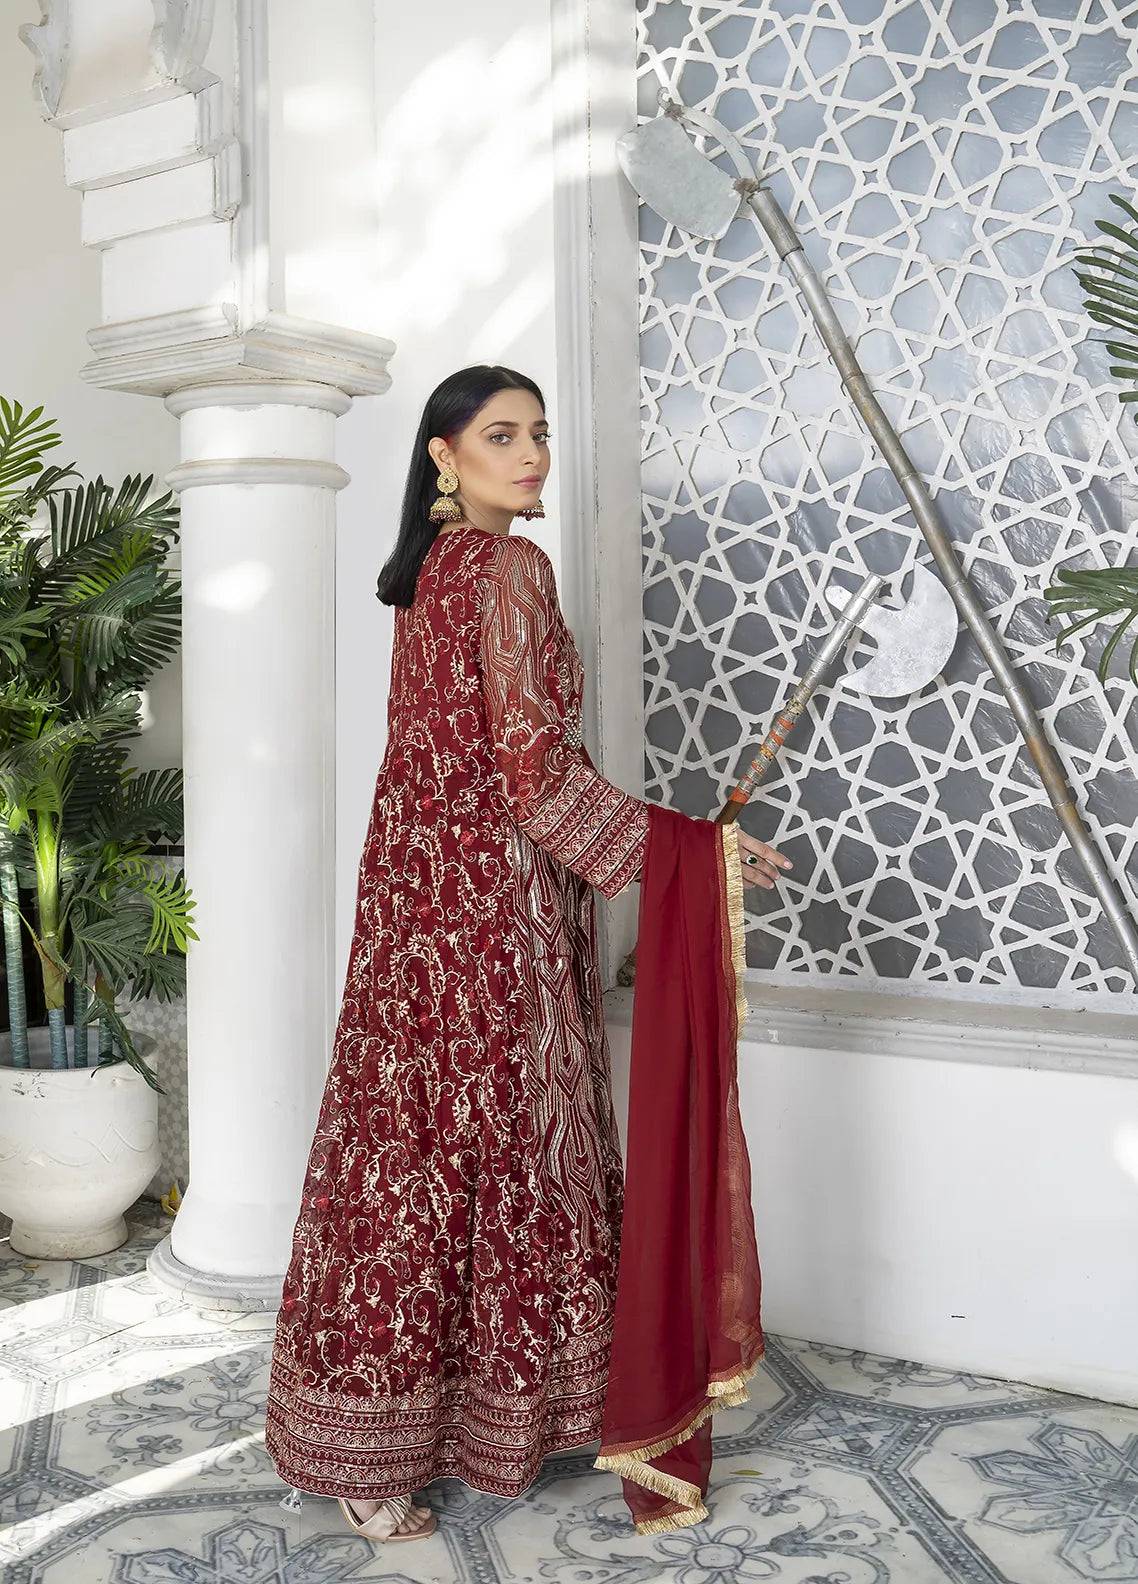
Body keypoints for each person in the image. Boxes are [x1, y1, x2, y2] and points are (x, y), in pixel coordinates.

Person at [264, 364, 791, 1542]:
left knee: (405, 1157)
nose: (533, 454)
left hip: (411, 910)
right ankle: (490, 1426)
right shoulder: (509, 570)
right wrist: (694, 851)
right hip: (494, 918)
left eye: (539, 433)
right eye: (501, 435)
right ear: (442, 455)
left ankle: (374, 1451)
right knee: (506, 1149)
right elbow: (534, 776)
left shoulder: (426, 575)